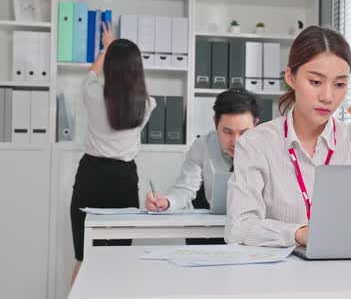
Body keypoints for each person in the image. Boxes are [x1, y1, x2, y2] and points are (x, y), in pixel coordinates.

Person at [224, 26, 351, 248]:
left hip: (345, 271)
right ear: (290, 77)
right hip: (277, 276)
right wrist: (298, 234)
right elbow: (238, 228)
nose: (327, 97)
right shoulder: (256, 143)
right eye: (315, 82)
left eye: (339, 84)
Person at [70, 22, 156, 283]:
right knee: (118, 259)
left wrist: (106, 49)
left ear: (111, 67)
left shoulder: (93, 95)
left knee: (84, 258)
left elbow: (91, 75)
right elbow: (137, 88)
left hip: (91, 176)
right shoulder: (147, 105)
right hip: (124, 180)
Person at [144, 88, 260, 244]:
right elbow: (185, 189)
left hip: (252, 233)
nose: (235, 142)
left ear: (256, 124)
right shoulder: (202, 146)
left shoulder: (268, 149)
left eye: (244, 132)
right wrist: (166, 202)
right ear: (215, 122)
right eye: (227, 131)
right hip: (209, 233)